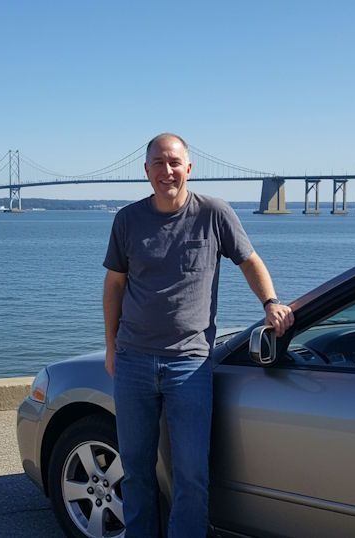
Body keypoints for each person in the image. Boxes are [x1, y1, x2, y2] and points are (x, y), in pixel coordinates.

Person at [102, 133, 293, 536]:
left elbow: (249, 260)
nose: (166, 171)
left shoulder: (215, 213)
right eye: (158, 163)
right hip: (134, 359)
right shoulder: (127, 220)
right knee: (135, 472)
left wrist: (270, 302)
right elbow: (115, 285)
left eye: (174, 162)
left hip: (189, 363)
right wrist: (110, 346)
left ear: (189, 167)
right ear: (146, 171)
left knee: (191, 474)